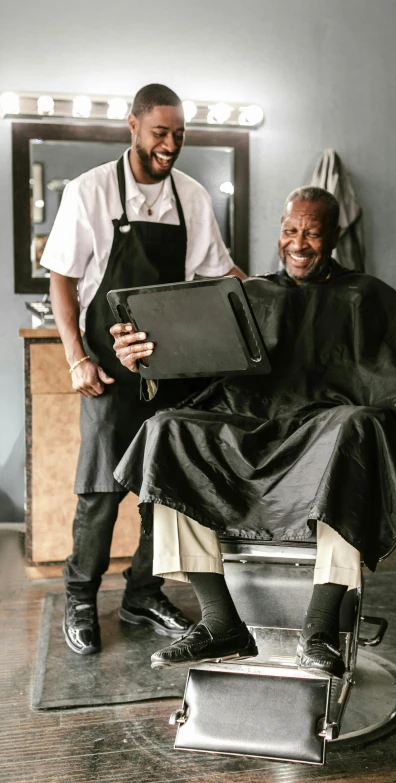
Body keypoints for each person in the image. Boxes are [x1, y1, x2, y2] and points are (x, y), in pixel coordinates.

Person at [111, 187, 396, 678]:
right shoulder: (249, 296)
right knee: (168, 430)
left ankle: (320, 628)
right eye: (291, 230)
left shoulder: (369, 296)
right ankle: (220, 621)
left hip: (324, 436)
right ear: (279, 233)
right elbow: (195, 366)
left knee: (357, 430)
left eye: (312, 231)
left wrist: (372, 418)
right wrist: (144, 360)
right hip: (251, 426)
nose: (300, 242)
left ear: (333, 236)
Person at [41, 83, 246, 656]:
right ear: (132, 125)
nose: (171, 144)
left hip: (176, 367)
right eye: (161, 132)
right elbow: (60, 276)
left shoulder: (191, 196)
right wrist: (76, 356)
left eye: (179, 134)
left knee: (163, 489)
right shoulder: (90, 191)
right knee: (101, 489)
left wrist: (264, 293)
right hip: (109, 366)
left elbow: (216, 273)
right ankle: (80, 596)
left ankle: (142, 591)